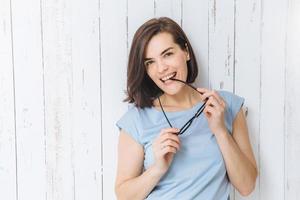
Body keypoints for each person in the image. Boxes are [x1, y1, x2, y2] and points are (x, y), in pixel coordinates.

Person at [115, 17, 257, 200]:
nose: (161, 69)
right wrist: (158, 168)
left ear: (186, 52)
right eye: (150, 62)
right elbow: (123, 195)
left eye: (167, 54)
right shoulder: (137, 118)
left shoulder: (225, 105)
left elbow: (247, 186)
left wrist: (220, 131)